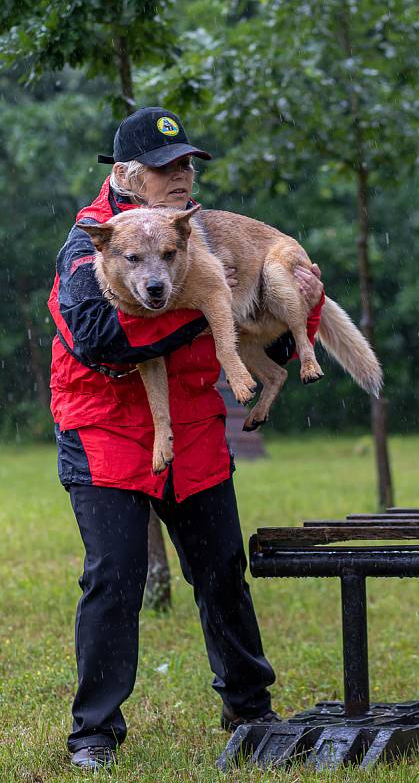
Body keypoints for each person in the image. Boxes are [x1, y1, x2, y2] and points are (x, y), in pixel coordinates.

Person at [48, 106, 324, 771]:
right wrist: (207, 316)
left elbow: (257, 328)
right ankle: (94, 734)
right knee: (113, 577)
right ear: (124, 174)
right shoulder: (91, 242)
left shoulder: (191, 233)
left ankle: (249, 709)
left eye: (187, 164)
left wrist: (299, 310)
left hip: (194, 427)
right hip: (106, 429)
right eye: (164, 167)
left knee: (222, 569)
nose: (182, 176)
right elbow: (99, 339)